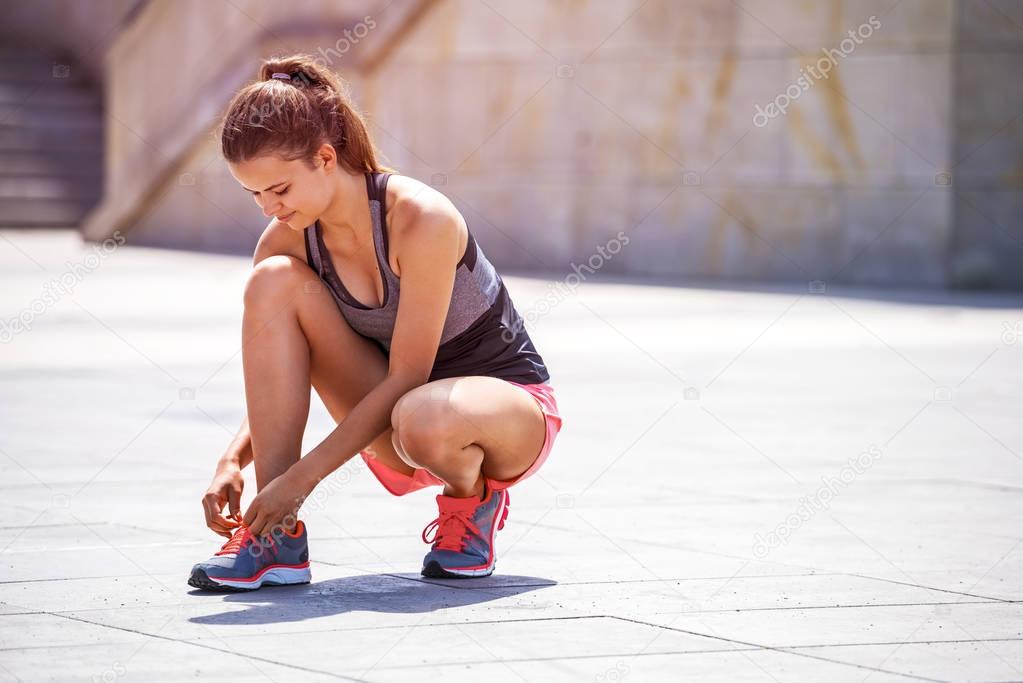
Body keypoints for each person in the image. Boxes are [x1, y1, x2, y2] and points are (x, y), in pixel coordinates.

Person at [188, 55, 563, 592]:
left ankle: (471, 503)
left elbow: (410, 377)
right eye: (255, 195)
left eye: (280, 190)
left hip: (506, 414)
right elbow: (281, 376)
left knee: (421, 414)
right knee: (271, 281)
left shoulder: (419, 219)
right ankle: (275, 538)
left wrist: (303, 479)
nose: (269, 209)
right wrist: (234, 461)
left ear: (323, 158)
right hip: (400, 414)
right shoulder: (289, 239)